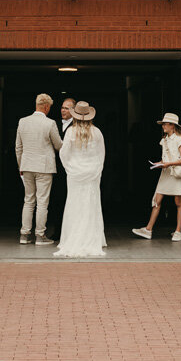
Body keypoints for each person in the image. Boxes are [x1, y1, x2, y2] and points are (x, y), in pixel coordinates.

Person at [54, 101, 107, 258]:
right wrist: (97, 170)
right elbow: (101, 154)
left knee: (74, 205)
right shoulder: (97, 132)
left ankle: (72, 237)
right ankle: (92, 237)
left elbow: (63, 154)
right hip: (92, 174)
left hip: (75, 175)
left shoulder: (71, 132)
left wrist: (70, 169)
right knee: (91, 205)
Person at [133, 113, 181, 241]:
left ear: (172, 126)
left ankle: (178, 232)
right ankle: (148, 229)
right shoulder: (165, 139)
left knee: (178, 202)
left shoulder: (179, 140)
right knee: (156, 201)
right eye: (163, 124)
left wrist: (168, 164)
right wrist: (159, 163)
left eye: (165, 124)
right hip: (165, 174)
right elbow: (166, 158)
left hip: (175, 173)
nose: (163, 126)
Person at [16, 93, 63, 245]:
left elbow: (18, 147)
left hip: (27, 165)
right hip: (44, 167)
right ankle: (40, 235)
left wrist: (20, 165)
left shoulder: (22, 122)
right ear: (47, 106)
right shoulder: (50, 123)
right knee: (42, 202)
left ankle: (24, 235)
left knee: (28, 200)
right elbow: (58, 145)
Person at [49, 97, 76, 240]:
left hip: (72, 168)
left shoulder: (78, 126)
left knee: (72, 200)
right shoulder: (54, 124)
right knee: (58, 200)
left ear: (74, 110)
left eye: (67, 108)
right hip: (57, 168)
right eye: (62, 107)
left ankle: (71, 233)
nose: (63, 110)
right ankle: (58, 231)